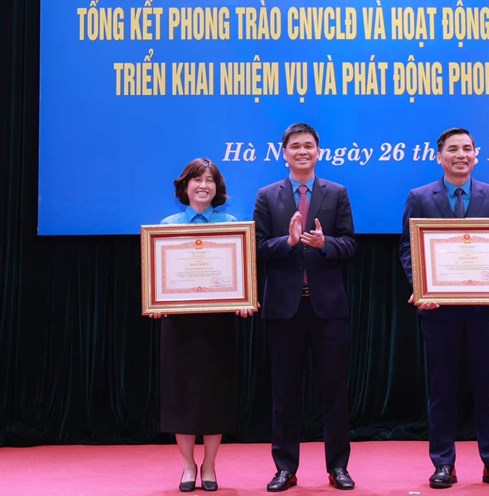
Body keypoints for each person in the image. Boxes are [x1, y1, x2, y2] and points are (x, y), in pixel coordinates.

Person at [399, 128, 489, 489]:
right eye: (453, 149)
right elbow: (408, 248)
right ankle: (443, 463)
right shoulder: (420, 197)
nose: (461, 154)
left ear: (476, 155)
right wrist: (420, 286)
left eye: (467, 149)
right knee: (442, 388)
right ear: (439, 157)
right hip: (439, 309)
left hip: (484, 311)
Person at [253, 123, 358, 492]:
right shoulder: (267, 196)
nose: (302, 151)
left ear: (318, 152)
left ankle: (338, 467)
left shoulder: (337, 193)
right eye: (295, 146)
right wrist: (288, 241)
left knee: (335, 391)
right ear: (284, 153)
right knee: (285, 392)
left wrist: (324, 243)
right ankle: (285, 468)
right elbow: (257, 248)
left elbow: (350, 245)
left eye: (308, 146)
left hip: (328, 309)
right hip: (285, 310)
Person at [151, 158, 254, 493]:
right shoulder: (167, 225)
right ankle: (187, 466)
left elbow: (240, 275)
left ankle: (209, 465)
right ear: (185, 186)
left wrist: (243, 299)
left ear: (217, 187)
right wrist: (156, 301)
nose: (203, 185)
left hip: (218, 326)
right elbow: (159, 276)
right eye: (197, 179)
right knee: (180, 396)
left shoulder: (232, 224)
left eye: (209, 180)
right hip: (180, 326)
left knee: (214, 396)